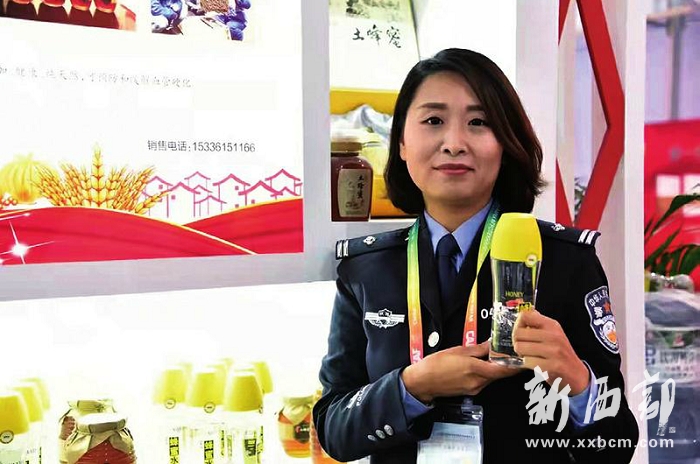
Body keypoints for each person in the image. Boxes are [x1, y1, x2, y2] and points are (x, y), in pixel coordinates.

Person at [313, 48, 639, 464]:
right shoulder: (366, 267)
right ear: (402, 144)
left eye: (478, 123)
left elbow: (616, 446)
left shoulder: (565, 260)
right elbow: (333, 429)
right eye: (433, 121)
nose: (454, 144)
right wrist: (412, 387)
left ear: (506, 143)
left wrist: (578, 381)